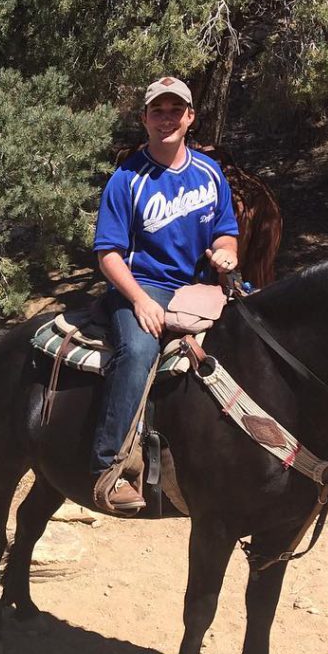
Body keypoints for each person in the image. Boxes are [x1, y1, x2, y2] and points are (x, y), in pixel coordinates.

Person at [90, 76, 239, 512]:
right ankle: (110, 466)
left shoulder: (210, 174)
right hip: (141, 286)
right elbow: (109, 253)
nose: (167, 119)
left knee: (254, 337)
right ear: (145, 119)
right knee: (137, 352)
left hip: (197, 287)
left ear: (191, 117)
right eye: (158, 111)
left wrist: (226, 255)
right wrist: (139, 300)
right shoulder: (127, 178)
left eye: (176, 110)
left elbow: (225, 232)